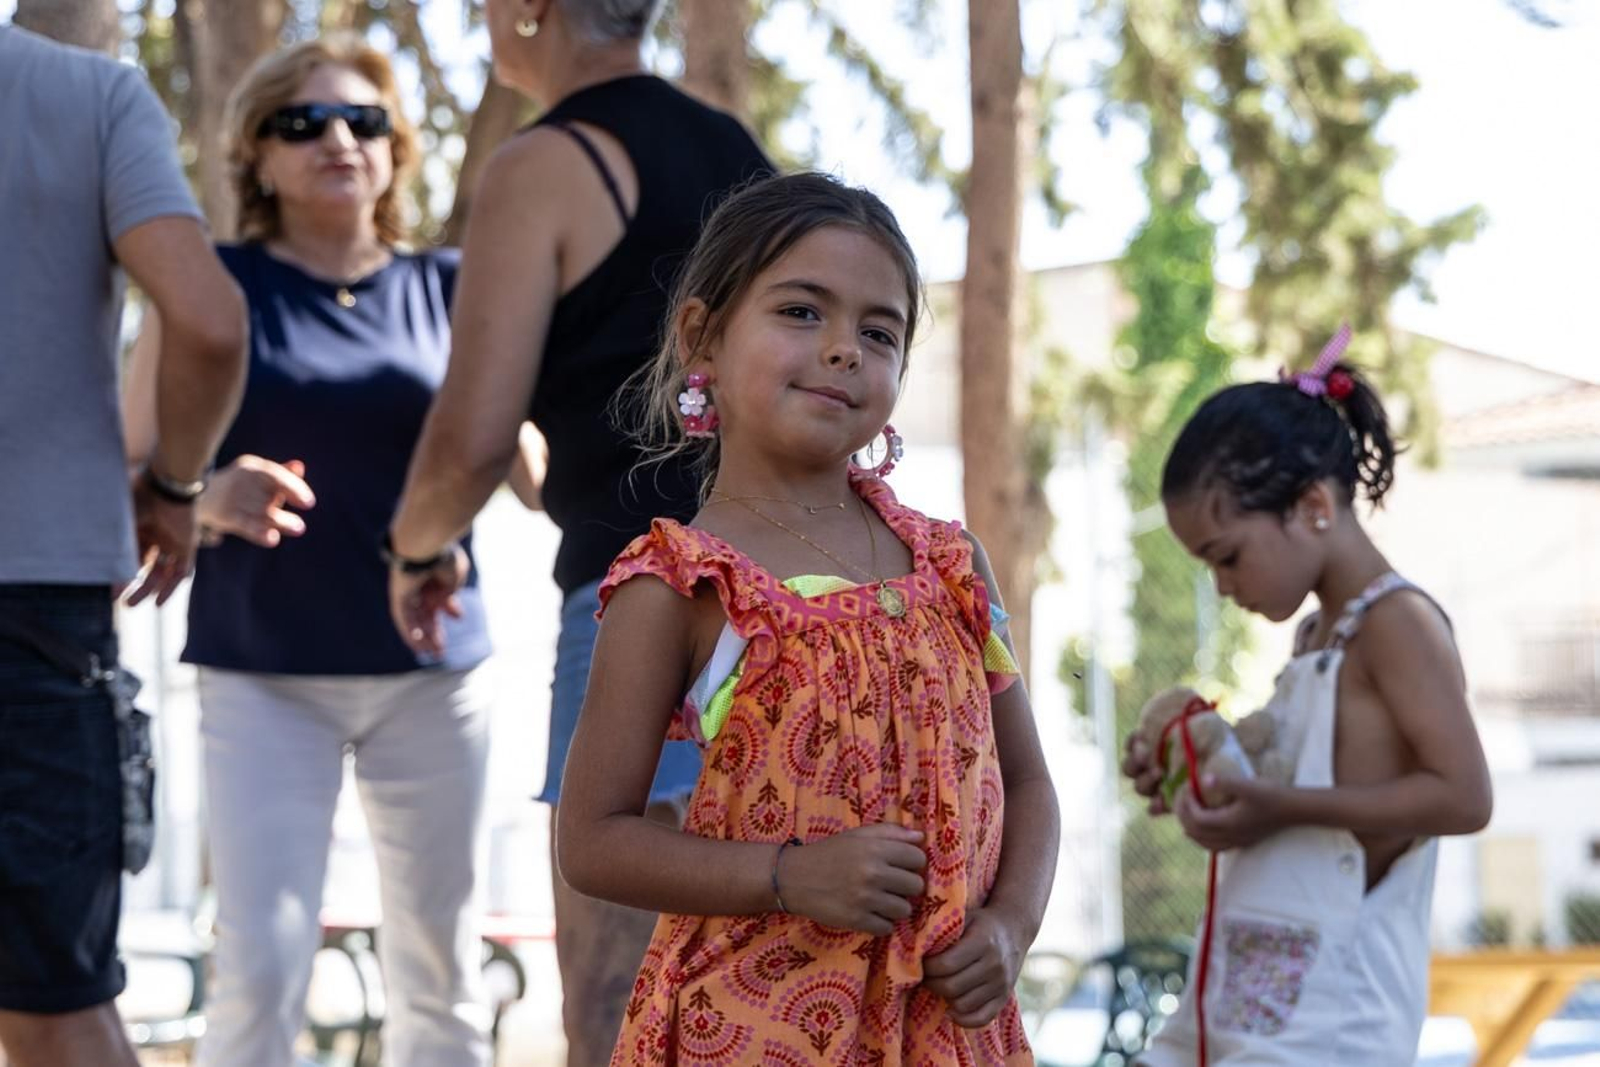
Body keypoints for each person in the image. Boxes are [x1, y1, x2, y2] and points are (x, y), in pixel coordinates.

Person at [552, 172, 1061, 1064]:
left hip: (944, 1032)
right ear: (700, 336)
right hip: (755, 1031)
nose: (843, 350)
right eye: (800, 311)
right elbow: (593, 840)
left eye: (878, 331)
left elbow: (1028, 784)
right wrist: (789, 875)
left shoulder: (952, 566)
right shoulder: (678, 585)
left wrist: (1012, 926)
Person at [383, 1, 771, 1059]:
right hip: (787, 601)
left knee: (618, 1006)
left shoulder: (544, 164)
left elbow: (467, 438)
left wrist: (415, 548)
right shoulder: (734, 151)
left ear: (529, 11)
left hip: (645, 613)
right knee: (768, 995)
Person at [122, 36, 508, 1067]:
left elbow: (520, 452)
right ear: (256, 155)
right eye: (304, 123)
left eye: (363, 121)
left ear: (394, 150)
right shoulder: (209, 286)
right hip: (264, 673)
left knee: (443, 967)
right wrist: (202, 499)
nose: (337, 139)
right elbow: (128, 471)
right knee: (261, 962)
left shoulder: (454, 286)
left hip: (435, 676)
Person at [1123, 328, 1493, 1066]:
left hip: (1336, 1018)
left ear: (1314, 505)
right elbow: (1285, 763)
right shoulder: (1318, 636)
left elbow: (1464, 796)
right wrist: (1197, 765)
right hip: (1254, 987)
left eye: (1228, 557)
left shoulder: (1398, 622)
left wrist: (1280, 808)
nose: (1225, 586)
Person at [0, 23, 247, 1067]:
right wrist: (177, 485)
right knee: (56, 1004)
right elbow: (207, 321)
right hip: (33, 600)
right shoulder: (84, 95)